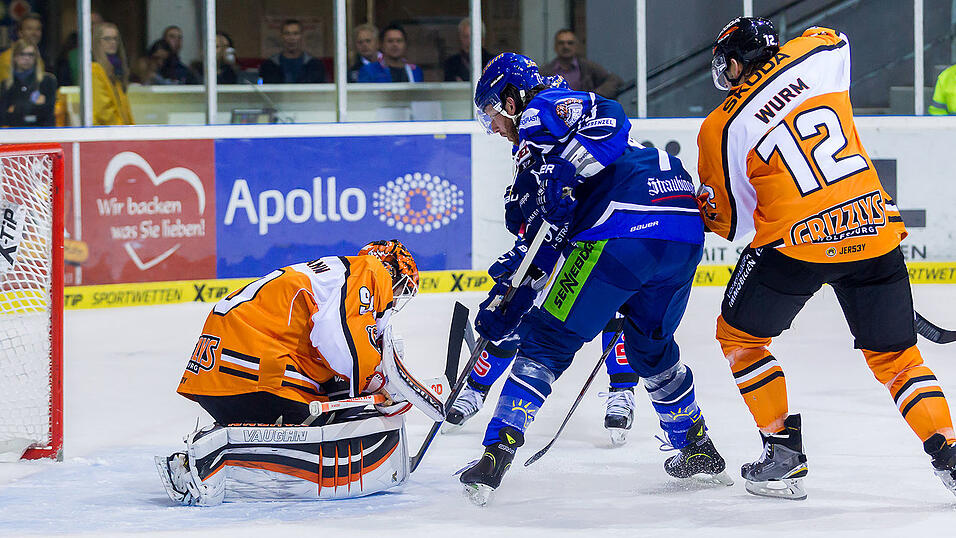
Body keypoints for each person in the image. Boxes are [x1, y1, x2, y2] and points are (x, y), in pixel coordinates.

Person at [697, 17, 956, 501]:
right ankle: (951, 455)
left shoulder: (721, 126)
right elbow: (832, 33)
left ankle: (783, 453)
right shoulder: (819, 58)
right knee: (898, 359)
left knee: (740, 338)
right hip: (875, 229)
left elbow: (729, 222)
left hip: (797, 245)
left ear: (733, 64)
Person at [459, 53, 731, 506]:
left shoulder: (537, 116)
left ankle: (497, 450)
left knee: (547, 341)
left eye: (492, 115)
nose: (495, 129)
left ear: (509, 98)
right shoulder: (576, 143)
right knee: (652, 349)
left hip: (622, 235)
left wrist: (507, 303)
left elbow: (545, 235)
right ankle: (695, 446)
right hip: (683, 233)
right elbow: (552, 230)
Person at [156, 240, 445, 505]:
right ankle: (213, 454)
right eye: (400, 288)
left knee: (323, 399)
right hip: (252, 361)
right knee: (319, 419)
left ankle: (219, 452)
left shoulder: (332, 273)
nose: (395, 299)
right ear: (390, 270)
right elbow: (340, 339)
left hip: (221, 366)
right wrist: (376, 381)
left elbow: (327, 342)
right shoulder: (370, 270)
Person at [538, 29, 622, 99]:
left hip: (585, 114)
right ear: (555, 47)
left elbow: (614, 80)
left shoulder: (588, 67)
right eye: (561, 43)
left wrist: (594, 96)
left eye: (570, 43)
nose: (565, 46)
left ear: (576, 46)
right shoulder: (545, 72)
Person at [0, 40, 56, 127]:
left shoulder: (47, 81)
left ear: (36, 58)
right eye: (22, 54)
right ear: (14, 57)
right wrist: (33, 105)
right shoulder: (6, 85)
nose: (27, 58)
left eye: (31, 54)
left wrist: (15, 109)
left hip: (43, 134)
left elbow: (48, 113)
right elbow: (3, 117)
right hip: (15, 134)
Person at [258, 19, 327, 84]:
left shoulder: (315, 66)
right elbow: (261, 88)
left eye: (296, 33)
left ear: (302, 36)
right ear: (281, 36)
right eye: (287, 34)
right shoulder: (268, 66)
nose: (291, 38)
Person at [91, 22, 133, 125]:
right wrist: (121, 128)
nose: (112, 42)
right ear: (97, 42)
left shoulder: (116, 69)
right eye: (107, 39)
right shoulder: (94, 70)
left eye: (115, 39)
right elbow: (103, 109)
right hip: (106, 132)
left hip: (120, 130)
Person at [357, 23, 423, 83]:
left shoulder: (415, 71)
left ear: (405, 45)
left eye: (399, 41)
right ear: (381, 45)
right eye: (390, 41)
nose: (395, 44)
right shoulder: (369, 71)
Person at [0, 13, 43, 82]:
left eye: (38, 29)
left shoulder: (38, 58)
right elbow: (7, 89)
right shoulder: (7, 58)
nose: (34, 33)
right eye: (29, 29)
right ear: (20, 33)